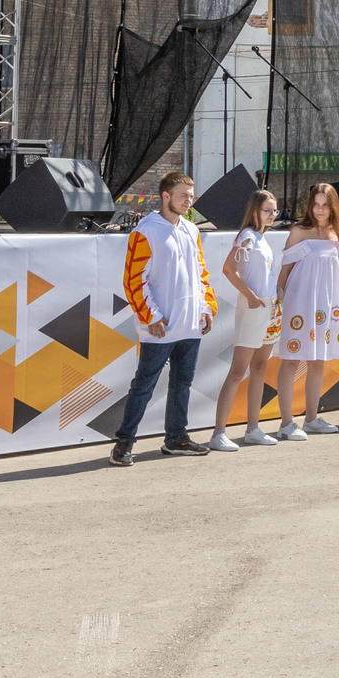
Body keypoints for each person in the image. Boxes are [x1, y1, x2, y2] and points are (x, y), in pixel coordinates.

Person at [112, 170, 216, 463]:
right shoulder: (146, 230)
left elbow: (201, 273)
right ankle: (123, 444)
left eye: (191, 196)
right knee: (143, 386)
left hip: (190, 324)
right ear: (166, 196)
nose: (188, 201)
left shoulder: (192, 230)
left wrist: (206, 308)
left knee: (182, 384)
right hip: (160, 326)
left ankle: (176, 438)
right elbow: (133, 280)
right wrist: (151, 317)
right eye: (183, 196)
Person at [266, 182, 339, 440]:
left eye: (325, 205)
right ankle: (286, 424)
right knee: (291, 360)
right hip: (299, 303)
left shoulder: (337, 234)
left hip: (326, 305)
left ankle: (311, 419)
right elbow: (285, 269)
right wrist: (279, 299)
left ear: (333, 207)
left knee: (319, 360)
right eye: (316, 205)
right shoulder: (299, 231)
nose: (319, 210)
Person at [212, 189, 280, 450]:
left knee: (260, 367)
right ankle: (218, 433)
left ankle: (253, 428)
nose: (272, 215)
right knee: (238, 370)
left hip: (269, 307)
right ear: (255, 211)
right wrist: (250, 296)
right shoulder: (248, 236)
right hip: (254, 307)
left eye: (274, 210)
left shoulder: (261, 238)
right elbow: (229, 269)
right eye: (267, 210)